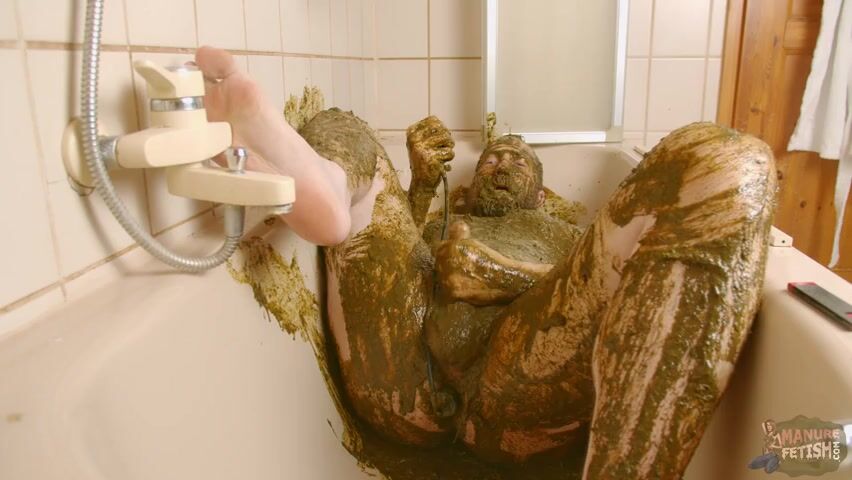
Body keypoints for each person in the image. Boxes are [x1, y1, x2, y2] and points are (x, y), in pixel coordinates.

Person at [196, 46, 778, 479]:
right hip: (409, 377)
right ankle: (322, 179)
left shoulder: (565, 235)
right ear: (470, 186)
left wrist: (501, 277)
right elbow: (396, 260)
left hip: (518, 386)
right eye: (492, 159)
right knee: (345, 126)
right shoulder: (450, 220)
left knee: (730, 160)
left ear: (542, 193)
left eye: (517, 162)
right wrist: (421, 186)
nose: (500, 163)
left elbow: (614, 304)